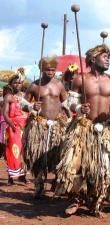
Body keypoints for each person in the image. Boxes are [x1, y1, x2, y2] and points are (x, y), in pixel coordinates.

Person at [55, 44, 110, 217]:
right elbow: (70, 103)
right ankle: (75, 199)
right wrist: (79, 107)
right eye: (104, 55)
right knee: (75, 165)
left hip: (107, 128)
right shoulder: (80, 79)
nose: (108, 59)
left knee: (104, 167)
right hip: (84, 127)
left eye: (109, 56)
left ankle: (96, 202)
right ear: (92, 58)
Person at [22, 56, 68, 198]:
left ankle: (57, 182)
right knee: (38, 157)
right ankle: (39, 184)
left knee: (60, 155)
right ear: (42, 69)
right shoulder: (35, 85)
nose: (50, 72)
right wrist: (31, 106)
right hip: (39, 126)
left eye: (53, 70)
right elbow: (22, 103)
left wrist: (72, 117)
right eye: (48, 69)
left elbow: (66, 102)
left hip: (57, 126)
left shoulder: (59, 85)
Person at [2, 69, 28, 184]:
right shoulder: (8, 96)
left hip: (25, 127)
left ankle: (22, 176)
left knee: (24, 152)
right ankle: (11, 177)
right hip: (13, 128)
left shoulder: (24, 96)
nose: (17, 85)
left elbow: (29, 109)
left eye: (19, 83)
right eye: (15, 83)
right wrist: (12, 126)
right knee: (13, 151)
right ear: (11, 84)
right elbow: (5, 114)